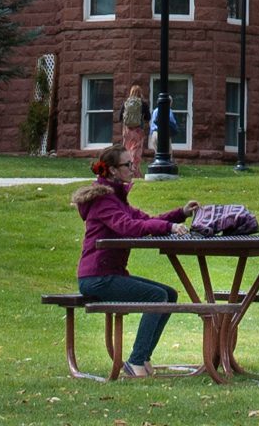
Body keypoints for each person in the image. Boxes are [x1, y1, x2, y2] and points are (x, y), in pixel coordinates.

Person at [72, 144, 199, 377]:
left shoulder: (117, 199)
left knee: (168, 295)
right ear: (111, 170)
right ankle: (136, 362)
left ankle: (143, 358)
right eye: (128, 165)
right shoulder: (103, 201)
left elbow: (147, 220)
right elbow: (128, 227)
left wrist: (180, 213)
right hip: (97, 278)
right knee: (156, 297)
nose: (133, 168)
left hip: (111, 275)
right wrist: (169, 227)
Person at [118, 85, 151, 178]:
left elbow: (119, 117)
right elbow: (148, 117)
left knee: (127, 150)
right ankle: (133, 173)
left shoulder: (126, 103)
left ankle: (133, 173)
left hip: (127, 131)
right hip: (138, 130)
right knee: (136, 152)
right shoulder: (143, 103)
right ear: (140, 93)